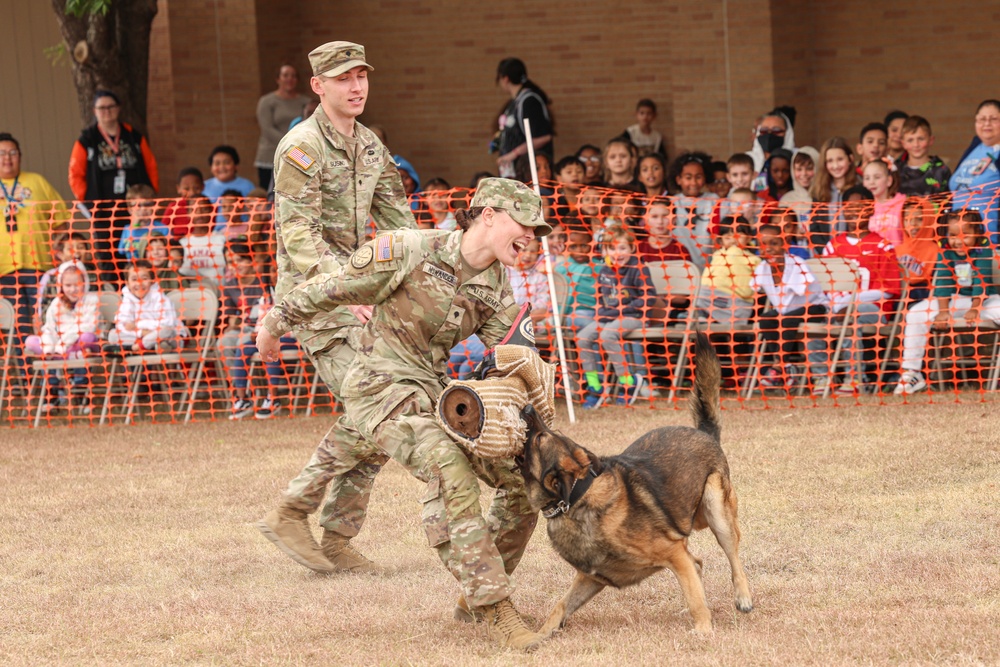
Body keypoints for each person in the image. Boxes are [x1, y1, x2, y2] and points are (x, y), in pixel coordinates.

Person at [256, 178, 551, 650]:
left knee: (523, 481)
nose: (532, 238)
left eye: (538, 231)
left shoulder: (499, 290)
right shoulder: (411, 248)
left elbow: (511, 358)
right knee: (446, 466)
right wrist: (275, 323)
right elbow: (333, 287)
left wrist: (535, 404)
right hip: (381, 385)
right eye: (524, 224)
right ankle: (497, 607)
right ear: (489, 214)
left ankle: (473, 598)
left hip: (434, 392)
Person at [255, 41, 416, 576]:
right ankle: (291, 510)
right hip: (318, 298)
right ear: (318, 85)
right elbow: (298, 235)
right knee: (379, 405)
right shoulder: (299, 148)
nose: (357, 86)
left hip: (361, 295)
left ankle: (337, 537)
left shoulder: (371, 146)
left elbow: (400, 225)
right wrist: (351, 289)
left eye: (362, 75)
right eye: (344, 77)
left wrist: (431, 272)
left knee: (379, 412)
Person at [895, 210, 1000, 395]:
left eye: (965, 235)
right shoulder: (945, 252)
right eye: (952, 235)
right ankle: (912, 374)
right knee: (916, 312)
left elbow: (981, 281)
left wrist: (976, 309)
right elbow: (943, 281)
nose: (958, 241)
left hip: (983, 300)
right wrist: (943, 311)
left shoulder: (984, 250)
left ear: (978, 233)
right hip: (956, 300)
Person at [815, 188, 902, 394]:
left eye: (861, 207)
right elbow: (826, 284)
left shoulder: (882, 245)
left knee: (850, 319)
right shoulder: (833, 245)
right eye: (850, 208)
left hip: (874, 310)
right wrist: (839, 304)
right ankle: (821, 377)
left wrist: (852, 303)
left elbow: (888, 290)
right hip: (838, 307)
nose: (856, 212)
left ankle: (855, 379)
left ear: (871, 209)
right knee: (813, 322)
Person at [68, 91, 159, 285]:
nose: (107, 112)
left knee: (140, 250)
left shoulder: (133, 137)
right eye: (102, 108)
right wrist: (90, 205)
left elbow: (151, 166)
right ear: (94, 111)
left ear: (118, 109)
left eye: (111, 107)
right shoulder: (87, 140)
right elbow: (76, 174)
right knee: (110, 257)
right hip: (104, 212)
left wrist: (149, 199)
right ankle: (117, 297)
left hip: (135, 208)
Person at [1, 132, 69, 356]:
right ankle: (27, 380)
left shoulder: (37, 181)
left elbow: (61, 220)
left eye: (12, 153)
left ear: (20, 156)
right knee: (17, 327)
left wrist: (58, 249)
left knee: (46, 320)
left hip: (39, 264)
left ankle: (51, 383)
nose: (7, 158)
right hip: (5, 269)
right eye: (2, 153)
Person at [576, 224, 655, 408]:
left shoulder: (639, 268)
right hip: (609, 317)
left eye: (622, 248)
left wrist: (617, 311)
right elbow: (602, 301)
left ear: (632, 248)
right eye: (612, 248)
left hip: (634, 317)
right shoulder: (605, 271)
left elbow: (648, 299)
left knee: (607, 335)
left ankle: (628, 383)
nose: (617, 253)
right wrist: (605, 313)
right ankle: (595, 386)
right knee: (582, 338)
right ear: (605, 250)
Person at [750, 223, 829, 391]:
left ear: (784, 244)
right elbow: (758, 291)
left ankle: (779, 367)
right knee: (765, 320)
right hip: (787, 313)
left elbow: (792, 298)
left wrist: (780, 314)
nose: (769, 248)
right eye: (764, 244)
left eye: (774, 243)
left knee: (785, 319)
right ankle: (785, 367)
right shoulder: (762, 268)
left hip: (816, 307)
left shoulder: (797, 264)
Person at [218, 246, 292, 418]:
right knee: (236, 345)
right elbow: (252, 318)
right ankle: (242, 396)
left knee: (259, 344)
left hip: (288, 336)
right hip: (256, 330)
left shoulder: (286, 290)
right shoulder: (264, 295)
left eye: (239, 260)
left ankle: (272, 397)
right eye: (230, 262)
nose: (235, 265)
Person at [24, 260, 103, 412]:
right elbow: (49, 328)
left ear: (84, 282)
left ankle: (81, 388)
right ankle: (53, 389)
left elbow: (88, 326)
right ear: (61, 285)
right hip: (62, 350)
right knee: (31, 341)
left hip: (81, 344)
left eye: (77, 284)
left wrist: (64, 344)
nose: (73, 289)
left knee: (86, 338)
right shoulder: (56, 303)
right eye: (68, 285)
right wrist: (49, 346)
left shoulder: (92, 299)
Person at [107, 259, 187, 354]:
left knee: (165, 332)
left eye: (144, 279)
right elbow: (122, 325)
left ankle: (135, 348)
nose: (139, 283)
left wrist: (137, 325)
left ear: (152, 281)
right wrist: (143, 333)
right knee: (113, 334)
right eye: (134, 279)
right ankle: (146, 346)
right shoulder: (127, 299)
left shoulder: (160, 298)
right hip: (148, 338)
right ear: (127, 283)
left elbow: (167, 325)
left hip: (171, 338)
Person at [949, 99, 1000, 245]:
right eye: (982, 119)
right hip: (956, 243)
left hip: (988, 244)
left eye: (993, 119)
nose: (986, 124)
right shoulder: (975, 146)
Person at [494, 57, 553, 180]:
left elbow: (544, 136)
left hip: (530, 172)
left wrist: (513, 154)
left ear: (505, 79)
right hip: (514, 171)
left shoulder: (529, 101)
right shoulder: (515, 102)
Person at [254, 64, 312, 188]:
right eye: (285, 75)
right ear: (278, 79)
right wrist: (291, 144)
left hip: (300, 157)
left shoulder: (306, 102)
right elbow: (267, 130)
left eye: (293, 76)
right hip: (271, 155)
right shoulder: (267, 101)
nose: (289, 79)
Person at [696, 216, 760, 325]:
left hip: (737, 302)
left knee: (701, 295)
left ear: (749, 238)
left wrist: (734, 252)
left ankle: (706, 316)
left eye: (739, 235)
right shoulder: (717, 256)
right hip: (714, 297)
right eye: (728, 237)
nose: (734, 240)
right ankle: (705, 316)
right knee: (697, 293)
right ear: (720, 241)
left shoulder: (753, 259)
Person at [809, 137, 858, 247]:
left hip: (854, 253)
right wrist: (826, 252)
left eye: (840, 159)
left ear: (850, 159)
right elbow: (814, 228)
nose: (835, 166)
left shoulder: (859, 188)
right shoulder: (819, 190)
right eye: (830, 161)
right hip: (827, 256)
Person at [895, 198, 939, 302]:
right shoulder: (896, 250)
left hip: (924, 297)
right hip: (899, 296)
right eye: (907, 220)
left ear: (929, 220)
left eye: (919, 219)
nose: (913, 224)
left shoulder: (936, 251)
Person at [896, 116, 951, 196]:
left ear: (931, 140)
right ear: (903, 144)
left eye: (921, 139)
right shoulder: (896, 171)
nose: (916, 144)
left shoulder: (941, 171)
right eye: (910, 140)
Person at [178, 197, 226, 287]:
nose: (199, 214)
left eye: (204, 209)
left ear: (210, 212)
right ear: (188, 214)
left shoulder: (222, 239)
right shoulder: (181, 244)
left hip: (219, 297)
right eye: (194, 210)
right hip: (189, 296)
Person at [118, 185, 170, 260]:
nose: (143, 209)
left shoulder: (162, 228)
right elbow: (121, 250)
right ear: (130, 210)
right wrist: (134, 226)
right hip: (134, 268)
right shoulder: (127, 229)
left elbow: (169, 250)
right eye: (138, 205)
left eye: (147, 204)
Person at [862, 158, 906, 246]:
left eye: (877, 177)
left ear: (889, 181)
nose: (871, 182)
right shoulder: (864, 207)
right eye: (867, 178)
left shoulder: (902, 204)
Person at [747, 106, 797, 173]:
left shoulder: (798, 158)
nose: (769, 134)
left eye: (776, 130)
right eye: (764, 131)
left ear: (787, 134)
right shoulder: (746, 160)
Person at [161, 167, 204, 238]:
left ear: (203, 187)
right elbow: (163, 230)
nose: (192, 193)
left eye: (196, 188)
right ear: (178, 189)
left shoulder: (208, 207)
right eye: (186, 189)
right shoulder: (173, 208)